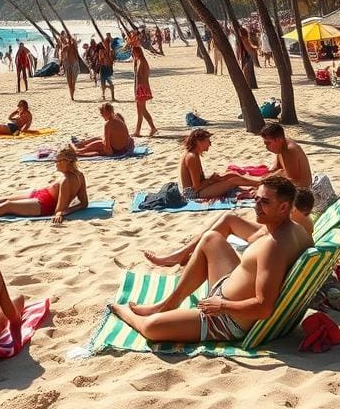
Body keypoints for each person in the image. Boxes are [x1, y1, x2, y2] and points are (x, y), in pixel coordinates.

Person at [108, 175, 312, 344]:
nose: (256, 206)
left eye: (265, 202)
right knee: (211, 238)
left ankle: (124, 311)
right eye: (256, 199)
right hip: (225, 291)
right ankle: (167, 304)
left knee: (153, 328)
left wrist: (221, 305)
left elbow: (263, 307)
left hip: (225, 320)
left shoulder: (272, 247)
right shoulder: (298, 232)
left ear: (284, 208)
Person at [143, 187, 315, 268]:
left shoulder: (295, 228)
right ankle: (182, 253)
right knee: (229, 218)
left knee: (215, 238)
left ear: (295, 209)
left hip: (255, 256)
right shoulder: (302, 221)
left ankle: (185, 255)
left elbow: (257, 242)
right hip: (263, 238)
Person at [0, 147, 88, 223]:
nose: (55, 163)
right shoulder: (80, 175)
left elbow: (59, 209)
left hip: (43, 205)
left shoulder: (66, 180)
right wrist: (69, 210)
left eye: (58, 161)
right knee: (7, 198)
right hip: (41, 194)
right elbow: (84, 203)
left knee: (8, 205)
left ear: (67, 162)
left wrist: (63, 212)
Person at [179, 129, 262, 199]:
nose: (210, 144)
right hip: (192, 194)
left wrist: (212, 179)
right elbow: (196, 187)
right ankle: (260, 184)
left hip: (196, 189)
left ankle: (257, 183)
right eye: (208, 141)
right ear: (199, 142)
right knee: (233, 181)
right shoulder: (191, 157)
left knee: (231, 174)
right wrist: (211, 180)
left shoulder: (193, 154)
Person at [260, 123, 312, 188]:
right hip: (293, 185)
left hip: (300, 190)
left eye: (268, 143)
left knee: (255, 183)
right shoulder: (281, 146)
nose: (266, 147)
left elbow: (292, 181)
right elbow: (276, 167)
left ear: (278, 140)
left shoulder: (289, 151)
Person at [132, 43, 157, 137]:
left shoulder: (142, 62)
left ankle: (153, 127)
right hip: (140, 88)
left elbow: (140, 77)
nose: (133, 54)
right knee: (139, 111)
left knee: (142, 110)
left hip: (141, 88)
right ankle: (137, 131)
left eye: (134, 52)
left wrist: (138, 91)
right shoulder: (139, 61)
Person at [60, 32, 80, 101]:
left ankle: (72, 95)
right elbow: (62, 55)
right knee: (69, 82)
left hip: (74, 64)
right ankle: (71, 96)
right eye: (67, 38)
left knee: (73, 82)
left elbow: (74, 43)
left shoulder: (73, 45)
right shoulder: (65, 46)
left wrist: (71, 39)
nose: (68, 39)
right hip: (68, 64)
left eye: (69, 38)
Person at [99, 37, 115, 101]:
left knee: (110, 83)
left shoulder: (111, 51)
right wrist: (104, 55)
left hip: (108, 68)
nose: (106, 44)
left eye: (108, 43)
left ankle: (113, 97)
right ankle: (103, 96)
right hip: (103, 68)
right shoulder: (101, 51)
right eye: (105, 43)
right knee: (103, 84)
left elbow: (112, 60)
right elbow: (100, 59)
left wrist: (110, 55)